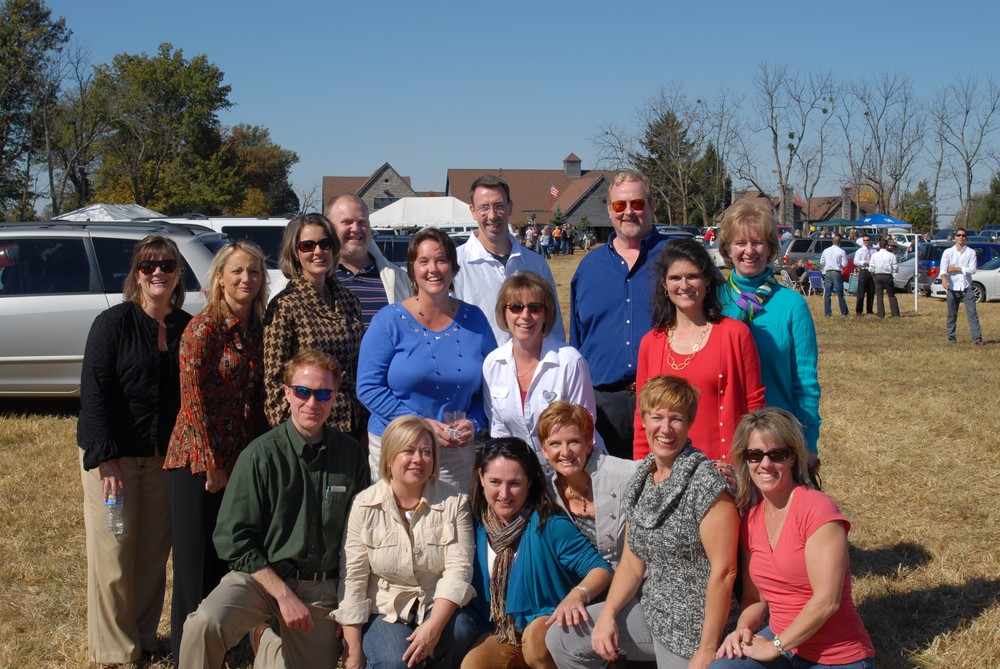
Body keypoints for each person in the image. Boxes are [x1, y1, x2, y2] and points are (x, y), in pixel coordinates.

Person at [179, 350, 369, 669]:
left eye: (323, 394)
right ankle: (265, 628)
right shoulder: (260, 455)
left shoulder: (351, 456)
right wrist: (282, 594)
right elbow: (232, 538)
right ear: (287, 393)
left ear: (335, 397)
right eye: (302, 392)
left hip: (320, 586)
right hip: (261, 577)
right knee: (204, 624)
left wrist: (350, 609)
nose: (312, 402)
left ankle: (266, 641)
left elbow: (362, 538)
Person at [547, 375, 739, 669]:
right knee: (563, 638)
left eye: (676, 419)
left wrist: (707, 649)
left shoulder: (706, 483)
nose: (666, 428)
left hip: (695, 629)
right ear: (644, 420)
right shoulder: (643, 478)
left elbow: (725, 572)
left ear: (689, 423)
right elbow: (632, 562)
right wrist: (609, 614)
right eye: (657, 417)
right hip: (652, 612)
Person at [77, 235, 193, 666]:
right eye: (148, 266)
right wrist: (105, 458)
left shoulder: (187, 327)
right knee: (114, 551)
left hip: (164, 462)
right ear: (137, 275)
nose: (158, 272)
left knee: (151, 556)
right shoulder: (112, 324)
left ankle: (143, 637)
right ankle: (115, 649)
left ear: (178, 274)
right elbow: (94, 392)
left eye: (166, 265)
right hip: (115, 463)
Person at [164, 240, 269, 662]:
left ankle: (224, 648)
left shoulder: (256, 328)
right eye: (237, 271)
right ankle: (184, 653)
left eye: (254, 271)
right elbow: (191, 402)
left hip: (239, 460)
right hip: (196, 461)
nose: (246, 278)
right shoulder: (202, 328)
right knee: (193, 565)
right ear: (220, 278)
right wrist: (210, 463)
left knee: (227, 561)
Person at [711, 408, 875, 669]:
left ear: (792, 457)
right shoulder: (750, 521)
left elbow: (827, 601)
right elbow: (754, 599)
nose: (765, 464)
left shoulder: (818, 510)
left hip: (835, 657)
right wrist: (742, 629)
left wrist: (774, 646)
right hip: (781, 646)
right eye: (755, 455)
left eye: (777, 454)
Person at [357, 228, 497, 489]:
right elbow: (368, 388)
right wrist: (419, 424)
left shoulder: (475, 320)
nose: (433, 269)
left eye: (441, 260)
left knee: (451, 515)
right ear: (412, 270)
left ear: (453, 268)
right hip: (399, 447)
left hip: (454, 452)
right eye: (424, 261)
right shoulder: (388, 321)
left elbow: (492, 388)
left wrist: (474, 422)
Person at [336, 415, 477, 669]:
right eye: (408, 451)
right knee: (394, 662)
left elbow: (459, 570)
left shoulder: (455, 502)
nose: (418, 459)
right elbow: (353, 578)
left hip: (434, 602)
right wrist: (353, 649)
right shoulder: (364, 504)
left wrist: (433, 627)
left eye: (426, 452)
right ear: (389, 457)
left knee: (462, 629)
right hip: (384, 608)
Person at [462, 437, 614, 669]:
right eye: (495, 482)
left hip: (551, 622)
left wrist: (577, 595)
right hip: (506, 629)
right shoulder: (475, 525)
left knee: (535, 642)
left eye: (514, 483)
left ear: (529, 482)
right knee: (475, 664)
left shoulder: (549, 523)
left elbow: (601, 570)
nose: (504, 493)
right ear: (481, 478)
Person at [633, 238, 765, 466]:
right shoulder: (650, 343)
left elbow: (756, 408)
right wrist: (641, 466)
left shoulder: (736, 334)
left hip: (721, 470)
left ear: (707, 280)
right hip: (667, 472)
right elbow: (642, 416)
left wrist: (751, 462)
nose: (684, 286)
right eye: (675, 278)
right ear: (664, 284)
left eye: (692, 276)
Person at [570, 171, 670, 459]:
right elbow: (577, 338)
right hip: (603, 404)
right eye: (619, 205)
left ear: (652, 206)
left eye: (637, 203)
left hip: (663, 401)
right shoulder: (589, 268)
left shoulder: (677, 256)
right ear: (609, 210)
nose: (628, 212)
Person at [717, 198, 822, 464]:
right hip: (722, 439)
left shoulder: (792, 305)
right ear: (727, 248)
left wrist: (808, 442)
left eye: (758, 242)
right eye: (740, 243)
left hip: (776, 441)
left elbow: (806, 383)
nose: (749, 251)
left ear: (771, 248)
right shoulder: (713, 302)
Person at [482, 272, 605, 463]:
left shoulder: (570, 362)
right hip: (522, 471)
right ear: (504, 312)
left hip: (573, 466)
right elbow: (499, 431)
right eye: (516, 307)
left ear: (546, 314)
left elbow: (584, 429)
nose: (525, 315)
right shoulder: (492, 364)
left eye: (535, 308)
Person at [263, 213, 366, 441]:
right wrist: (290, 435)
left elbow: (359, 366)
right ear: (295, 253)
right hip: (308, 428)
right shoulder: (285, 305)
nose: (318, 252)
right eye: (308, 245)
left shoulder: (349, 301)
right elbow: (274, 380)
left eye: (325, 244)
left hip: (351, 425)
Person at [454, 175, 565, 344]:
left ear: (510, 207)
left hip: (533, 360)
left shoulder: (536, 264)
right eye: (484, 207)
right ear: (473, 211)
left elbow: (553, 327)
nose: (492, 215)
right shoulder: (455, 265)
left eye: (499, 206)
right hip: (480, 361)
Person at [538, 402, 635, 567]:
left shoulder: (626, 475)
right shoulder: (544, 492)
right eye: (555, 444)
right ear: (544, 450)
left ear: (589, 443)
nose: (565, 452)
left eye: (574, 442)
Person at [328, 194, 411, 328]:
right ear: (328, 228)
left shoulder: (399, 278)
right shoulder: (314, 280)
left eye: (362, 222)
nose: (355, 228)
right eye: (347, 222)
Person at [941, 228, 985, 345]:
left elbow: (972, 270)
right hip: (952, 287)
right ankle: (951, 339)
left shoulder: (971, 252)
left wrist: (956, 268)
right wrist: (944, 279)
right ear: (955, 237)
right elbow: (944, 268)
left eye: (963, 235)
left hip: (966, 287)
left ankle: (977, 339)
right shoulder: (948, 252)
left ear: (966, 237)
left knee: (972, 314)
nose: (961, 237)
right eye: (959, 235)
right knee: (952, 314)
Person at [819, 235, 849, 318]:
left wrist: (827, 263)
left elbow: (821, 262)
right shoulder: (841, 251)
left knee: (827, 294)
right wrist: (840, 265)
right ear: (840, 242)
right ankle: (844, 312)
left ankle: (827, 313)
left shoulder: (826, 250)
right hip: (836, 272)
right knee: (840, 293)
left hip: (828, 272)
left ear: (832, 242)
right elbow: (844, 263)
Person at [870, 238, 900, 318]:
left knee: (879, 296)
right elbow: (895, 267)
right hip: (888, 276)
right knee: (891, 295)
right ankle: (895, 313)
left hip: (878, 275)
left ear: (879, 246)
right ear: (887, 246)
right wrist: (892, 273)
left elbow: (871, 268)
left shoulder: (874, 255)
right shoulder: (892, 255)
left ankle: (880, 314)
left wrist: (873, 276)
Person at [853, 235, 875, 316]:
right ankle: (859, 311)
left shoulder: (873, 250)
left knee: (871, 291)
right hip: (863, 270)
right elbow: (855, 261)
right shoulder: (860, 251)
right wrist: (864, 261)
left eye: (867, 240)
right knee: (861, 291)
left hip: (871, 271)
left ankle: (869, 309)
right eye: (864, 240)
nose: (866, 242)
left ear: (869, 241)